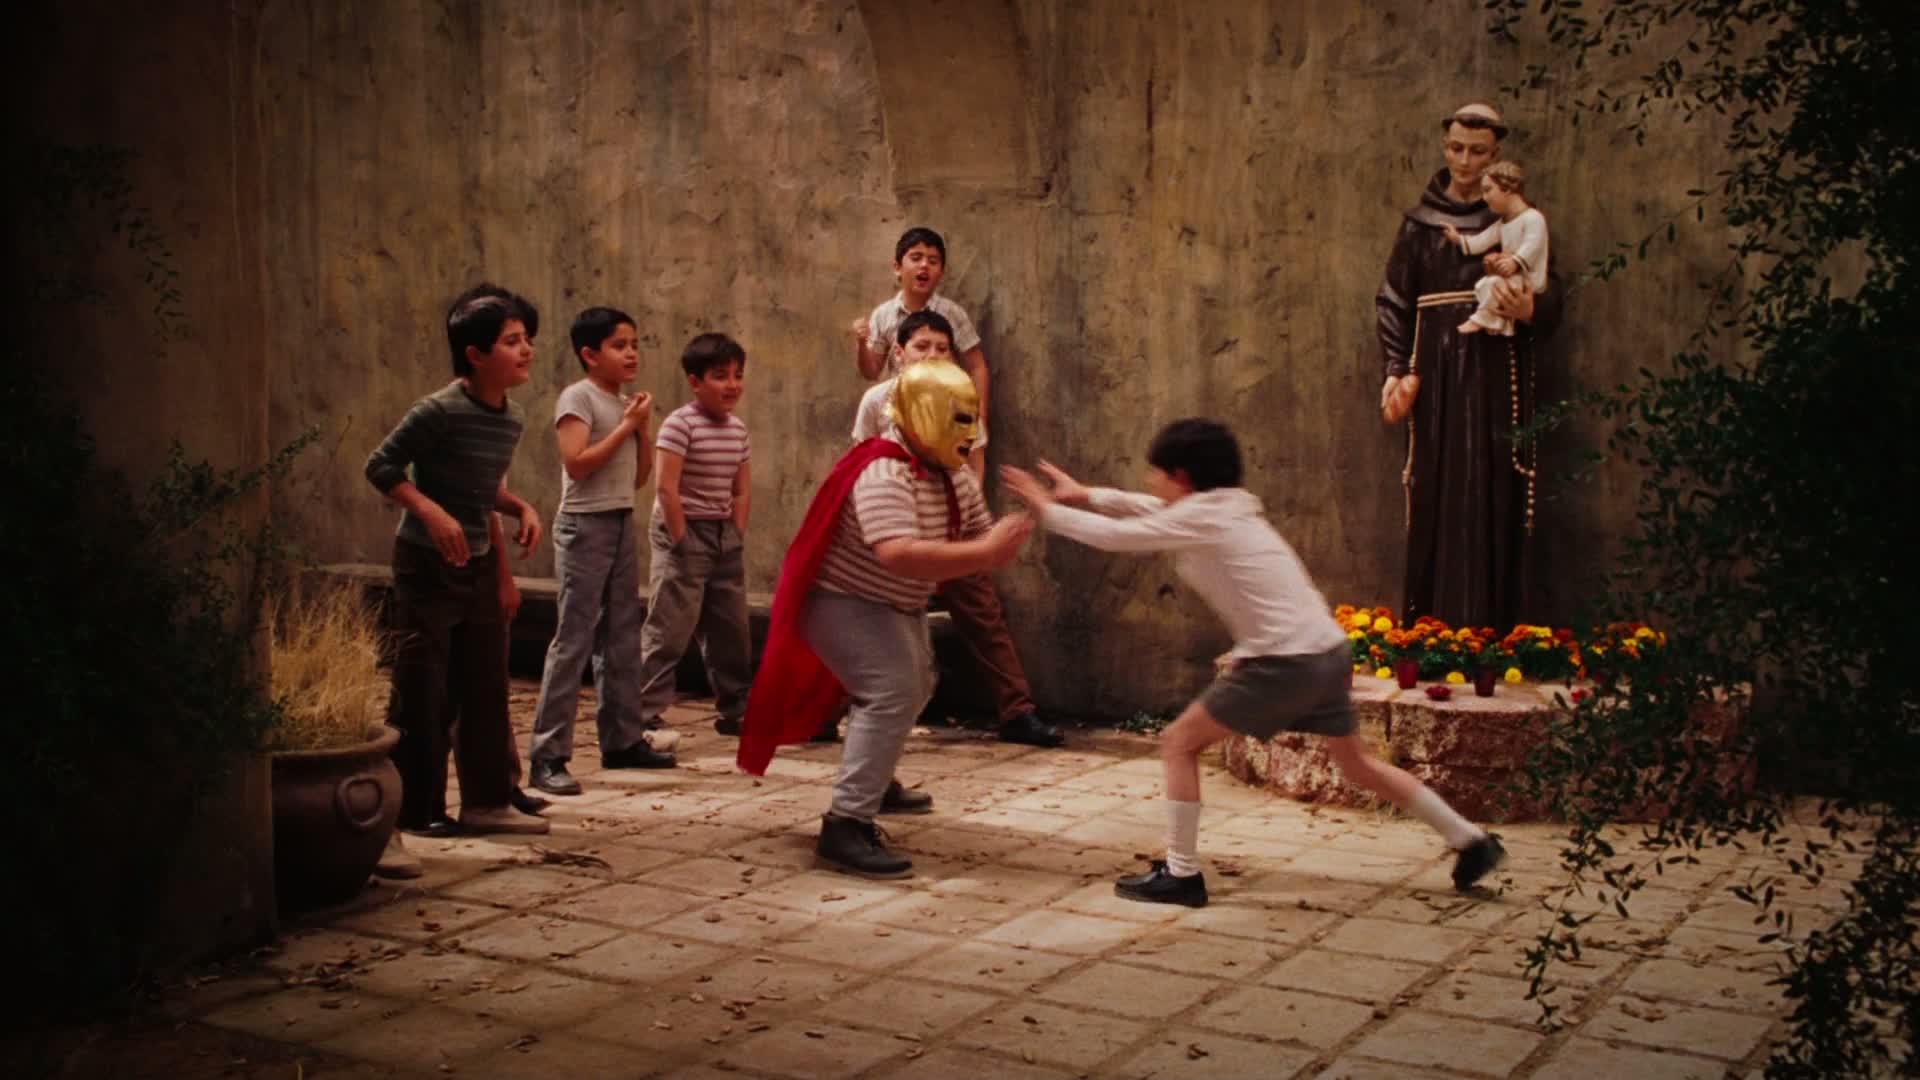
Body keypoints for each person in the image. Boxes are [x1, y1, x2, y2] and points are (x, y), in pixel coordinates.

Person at [1001, 419, 1506, 907]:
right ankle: (1471, 840)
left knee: (1179, 742)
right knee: (1356, 764)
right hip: (1326, 652)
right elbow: (1149, 508)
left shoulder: (1200, 517)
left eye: (1156, 471)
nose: (1151, 481)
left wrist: (1047, 510)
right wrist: (1086, 495)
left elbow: (1122, 535)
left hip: (1287, 661)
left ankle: (1181, 874)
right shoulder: (1227, 507)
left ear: (1182, 476)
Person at [738, 338, 1033, 877]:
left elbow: (979, 536)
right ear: (924, 414)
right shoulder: (884, 470)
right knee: (892, 688)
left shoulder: (952, 474)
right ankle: (846, 824)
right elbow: (897, 553)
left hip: (895, 600)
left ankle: (872, 776)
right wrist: (987, 551)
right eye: (958, 417)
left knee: (915, 684)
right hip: (842, 599)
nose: (969, 431)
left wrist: (1029, 520)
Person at [845, 228, 1063, 749]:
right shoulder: (878, 400)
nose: (933, 354)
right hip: (894, 524)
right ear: (900, 352)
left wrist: (975, 527)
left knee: (982, 612)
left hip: (949, 520)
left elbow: (972, 463)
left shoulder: (961, 400)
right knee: (864, 617)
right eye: (922, 346)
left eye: (942, 348)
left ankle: (1017, 711)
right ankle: (828, 710)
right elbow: (861, 462)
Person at [365, 284, 550, 878]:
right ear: (475, 354)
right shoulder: (437, 410)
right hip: (426, 564)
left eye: (527, 340)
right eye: (512, 341)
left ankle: (487, 802)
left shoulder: (511, 418)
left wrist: (520, 508)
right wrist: (429, 511)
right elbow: (381, 466)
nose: (526, 351)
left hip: (478, 563)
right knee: (421, 690)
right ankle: (411, 812)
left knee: (486, 683)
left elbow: (481, 487)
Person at [1377, 102, 1563, 632]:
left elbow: (1551, 290)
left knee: (1494, 483)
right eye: (1456, 148)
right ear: (1445, 147)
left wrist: (1529, 308)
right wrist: (1395, 366)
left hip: (1496, 367)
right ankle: (1432, 630)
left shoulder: (1516, 220)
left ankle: (1497, 629)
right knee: (1435, 484)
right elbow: (1393, 298)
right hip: (1435, 369)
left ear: (1495, 154)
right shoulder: (1420, 224)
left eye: (1478, 151)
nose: (1465, 160)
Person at [526, 306, 659, 796]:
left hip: (619, 520)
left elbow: (640, 477)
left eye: (635, 344)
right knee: (574, 638)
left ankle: (622, 741)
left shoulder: (624, 403)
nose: (631, 354)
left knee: (621, 634)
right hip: (584, 525)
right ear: (590, 353)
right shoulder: (577, 397)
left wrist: (642, 428)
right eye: (619, 345)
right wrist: (627, 426)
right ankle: (547, 756)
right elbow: (577, 464)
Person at [634, 333, 751, 754]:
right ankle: (641, 712)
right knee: (670, 626)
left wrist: (735, 532)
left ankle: (737, 708)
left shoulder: (737, 429)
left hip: (723, 534)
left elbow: (741, 489)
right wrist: (682, 538)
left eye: (737, 375)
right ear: (695, 381)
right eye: (720, 376)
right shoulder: (679, 424)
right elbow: (666, 488)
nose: (731, 385)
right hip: (684, 531)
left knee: (731, 628)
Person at [1445, 162, 1549, 336]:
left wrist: (1515, 262)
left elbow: (1533, 245)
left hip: (1529, 282)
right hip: (1512, 277)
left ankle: (1479, 320)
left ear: (1506, 188)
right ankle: (1495, 324)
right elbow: (1482, 240)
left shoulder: (1533, 218)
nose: (1484, 198)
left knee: (1493, 285)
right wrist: (1458, 239)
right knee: (1484, 285)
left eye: (1488, 190)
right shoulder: (1503, 223)